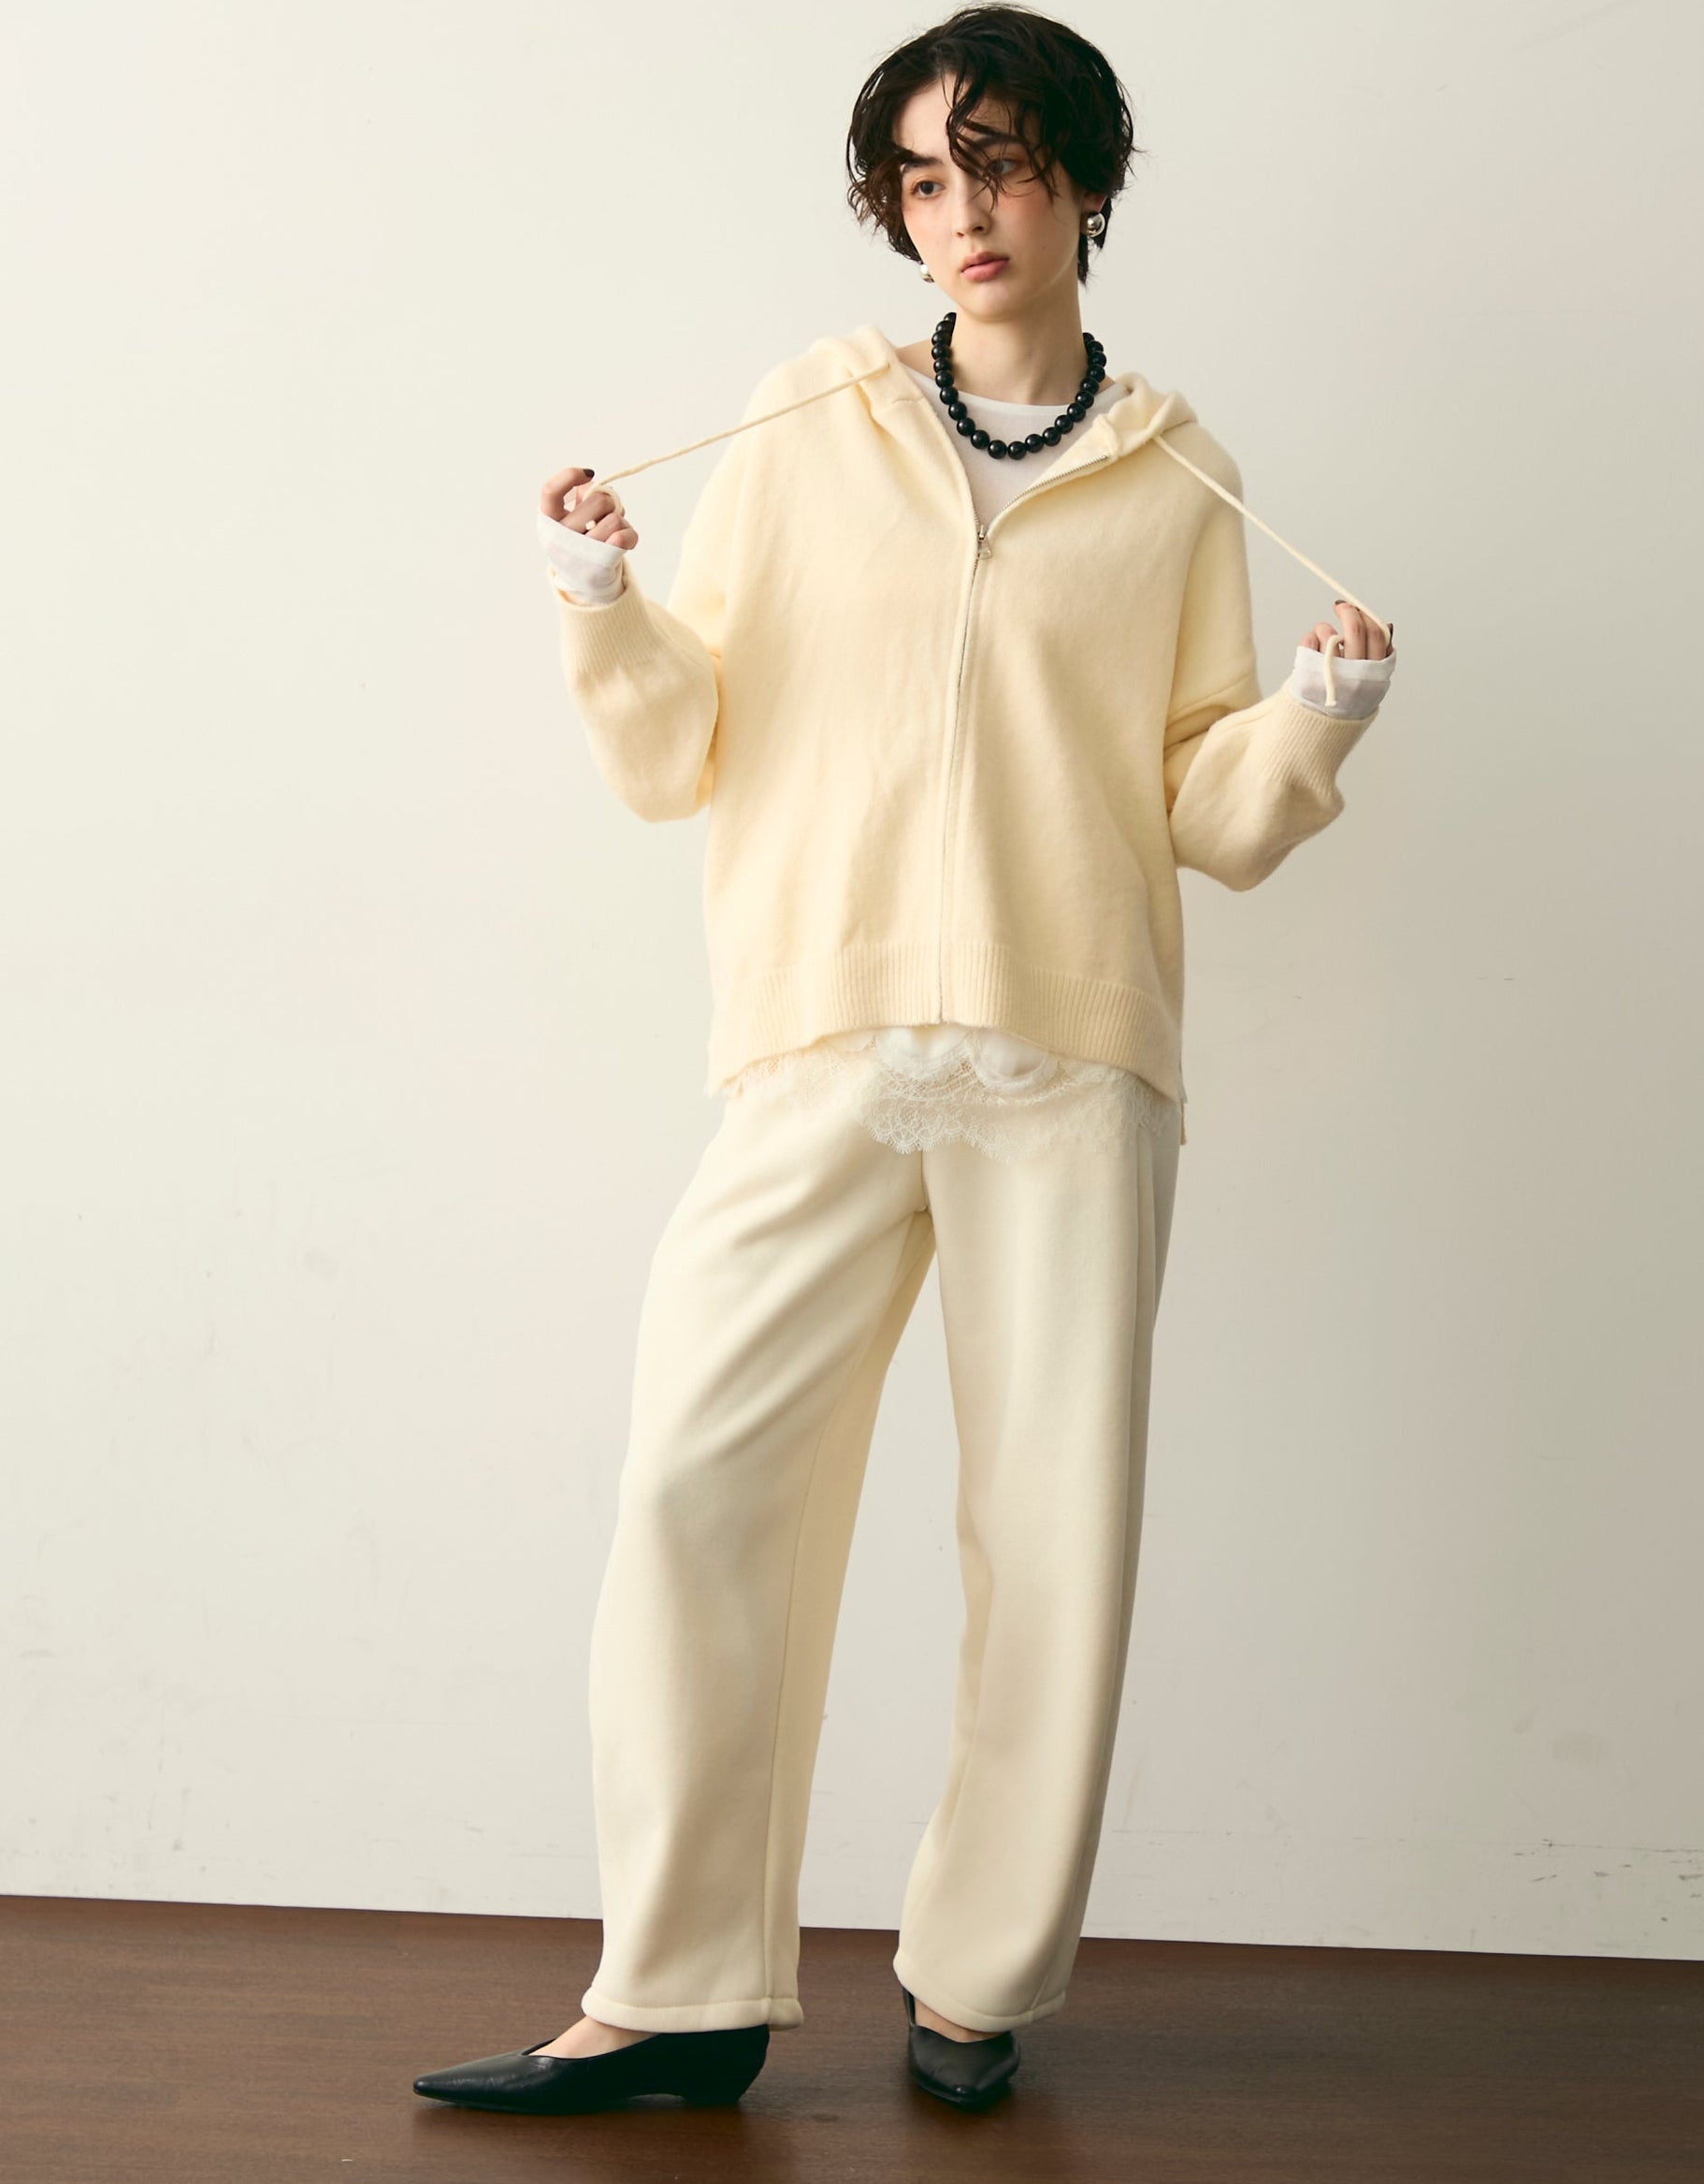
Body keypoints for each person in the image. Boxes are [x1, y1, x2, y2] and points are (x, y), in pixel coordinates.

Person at [413, 0, 1395, 2120]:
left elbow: (1205, 813)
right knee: (696, 1487)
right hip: (823, 1033)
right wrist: (601, 601)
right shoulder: (806, 420)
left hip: (1067, 1053)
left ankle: (976, 1979)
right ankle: (677, 1991)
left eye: (1004, 167)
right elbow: (681, 745)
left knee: (1049, 1532)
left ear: (1087, 184)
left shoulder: (1178, 476)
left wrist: (1311, 720)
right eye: (926, 180)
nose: (966, 214)